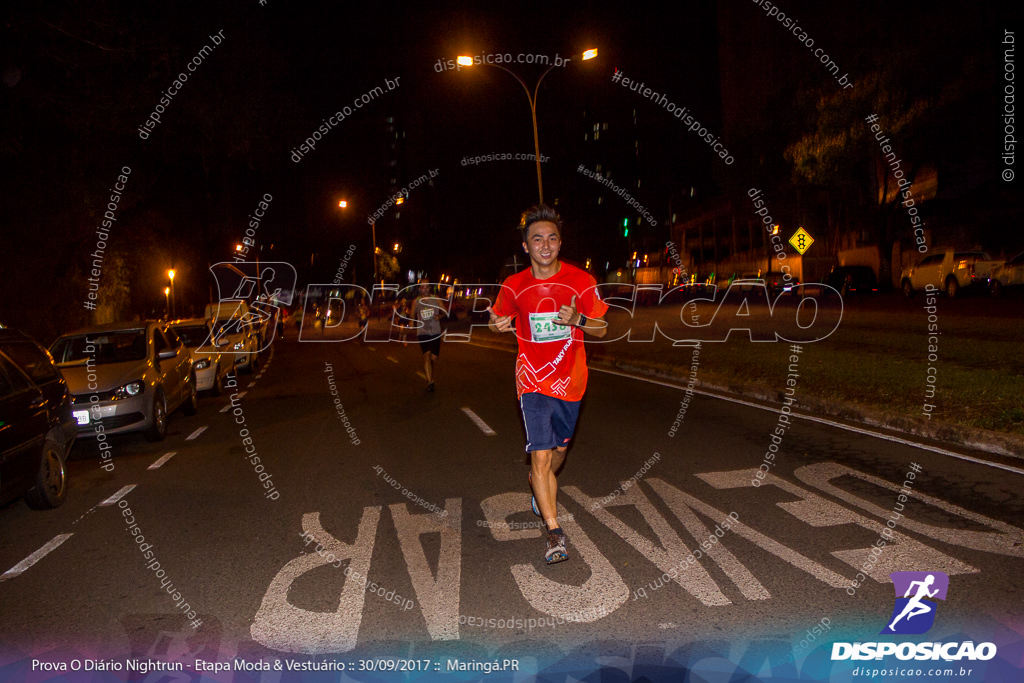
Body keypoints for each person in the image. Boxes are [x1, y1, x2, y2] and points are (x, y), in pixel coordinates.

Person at [488, 205, 608, 564]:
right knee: (540, 455)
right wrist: (497, 325)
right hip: (533, 380)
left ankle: (539, 486)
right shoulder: (514, 285)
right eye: (537, 238)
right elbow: (497, 318)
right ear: (526, 247)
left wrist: (580, 318)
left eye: (552, 238)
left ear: (560, 243)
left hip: (570, 381)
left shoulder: (581, 280)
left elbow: (602, 328)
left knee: (558, 454)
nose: (545, 244)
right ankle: (555, 533)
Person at [412, 282, 445, 391]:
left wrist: (439, 316)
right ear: (420, 289)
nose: (425, 289)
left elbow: (445, 312)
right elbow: (412, 315)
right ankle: (430, 382)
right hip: (422, 332)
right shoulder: (416, 301)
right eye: (422, 287)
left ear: (430, 288)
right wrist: (412, 324)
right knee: (426, 356)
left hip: (435, 332)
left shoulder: (436, 299)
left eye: (427, 287)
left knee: (433, 358)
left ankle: (430, 371)